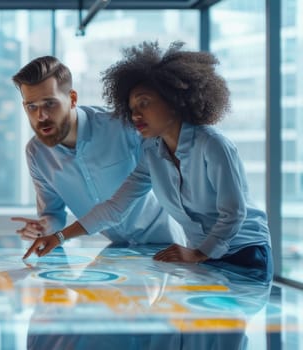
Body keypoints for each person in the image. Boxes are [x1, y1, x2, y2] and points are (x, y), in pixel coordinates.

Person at [24, 41, 272, 276]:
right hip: (199, 254)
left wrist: (199, 252)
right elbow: (114, 208)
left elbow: (234, 212)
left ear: (173, 100)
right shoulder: (153, 155)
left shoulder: (213, 144)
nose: (135, 115)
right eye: (132, 109)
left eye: (144, 103)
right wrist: (58, 237)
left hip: (244, 251)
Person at [10, 55, 184, 246]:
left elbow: (171, 174)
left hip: (167, 241)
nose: (40, 116)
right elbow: (53, 214)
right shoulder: (36, 154)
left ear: (72, 99)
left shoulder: (122, 126)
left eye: (50, 103)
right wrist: (43, 228)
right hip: (117, 249)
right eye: (31, 107)